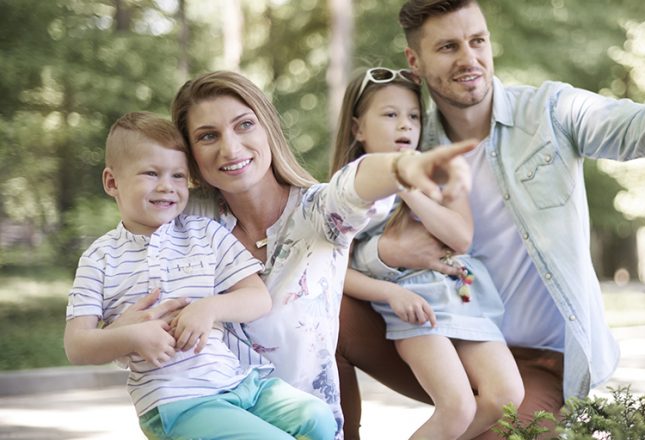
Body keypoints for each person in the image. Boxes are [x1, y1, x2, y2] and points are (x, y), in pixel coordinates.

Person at [335, 1, 645, 438]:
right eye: (448, 46)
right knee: (327, 309)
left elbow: (632, 127)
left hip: (538, 363)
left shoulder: (548, 112)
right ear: (414, 61)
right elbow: (342, 232)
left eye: (477, 40)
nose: (469, 58)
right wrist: (384, 252)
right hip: (443, 337)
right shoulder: (407, 135)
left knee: (500, 429)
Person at [167, 70, 476, 439]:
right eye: (207, 136)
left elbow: (353, 185)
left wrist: (401, 167)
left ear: (268, 129)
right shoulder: (184, 223)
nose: (230, 148)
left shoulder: (316, 213)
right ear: (190, 153)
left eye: (244, 125)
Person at [64, 112, 337, 439]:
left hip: (238, 384)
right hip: (177, 401)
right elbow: (77, 345)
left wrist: (207, 308)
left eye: (178, 176)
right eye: (151, 173)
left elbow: (257, 297)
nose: (167, 186)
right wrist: (132, 337)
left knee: (318, 418)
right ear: (112, 182)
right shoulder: (100, 258)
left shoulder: (205, 234)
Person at [330, 67, 524, 439]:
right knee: (457, 406)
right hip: (414, 309)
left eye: (413, 116)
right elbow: (337, 267)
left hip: (466, 299)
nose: (405, 125)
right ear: (357, 129)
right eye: (390, 115)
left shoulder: (441, 172)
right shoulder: (351, 192)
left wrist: (408, 187)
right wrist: (391, 292)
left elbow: (460, 237)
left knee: (506, 397)